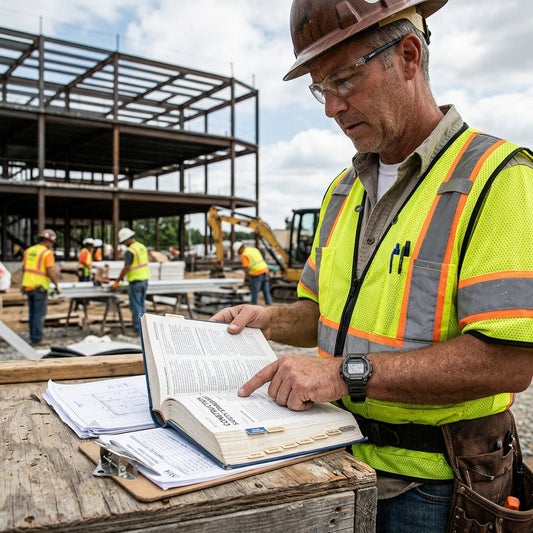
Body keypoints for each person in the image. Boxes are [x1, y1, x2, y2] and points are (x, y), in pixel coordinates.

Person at [212, 1, 533, 531]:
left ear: (408, 56)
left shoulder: (496, 179)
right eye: (320, 88)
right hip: (340, 461)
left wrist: (343, 375)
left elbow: (509, 362)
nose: (331, 108)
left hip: (434, 486)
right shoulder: (342, 191)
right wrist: (267, 319)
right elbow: (321, 314)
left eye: (344, 79)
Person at [21, 229, 62, 346]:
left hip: (28, 286)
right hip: (40, 287)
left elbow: (24, 269)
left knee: (32, 313)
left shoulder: (29, 251)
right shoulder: (47, 253)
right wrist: (56, 285)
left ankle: (33, 337)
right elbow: (50, 271)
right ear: (48, 242)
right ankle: (37, 339)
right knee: (39, 313)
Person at [111, 228, 150, 333]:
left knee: (136, 306)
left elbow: (127, 267)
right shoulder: (142, 247)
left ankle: (139, 329)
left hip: (135, 281)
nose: (124, 243)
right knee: (141, 305)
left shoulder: (130, 251)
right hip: (145, 279)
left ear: (128, 239)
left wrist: (117, 281)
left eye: (124, 241)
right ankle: (144, 328)